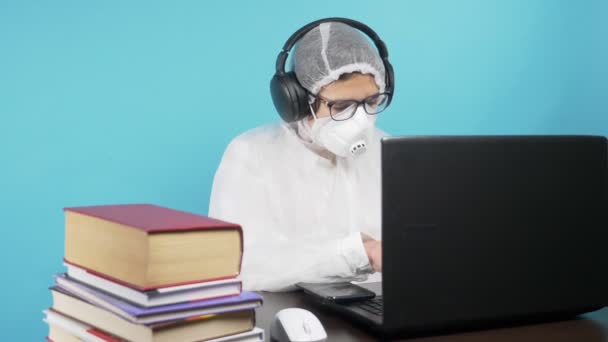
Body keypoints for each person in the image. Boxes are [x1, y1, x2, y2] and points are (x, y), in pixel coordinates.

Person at [209, 18, 394, 291]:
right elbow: (241, 265)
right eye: (341, 106)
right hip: (292, 315)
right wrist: (359, 254)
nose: (360, 121)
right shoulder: (251, 155)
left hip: (382, 311)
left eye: (370, 101)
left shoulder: (387, 149)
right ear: (295, 102)